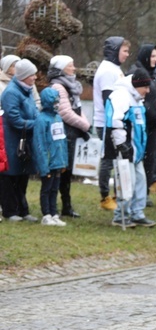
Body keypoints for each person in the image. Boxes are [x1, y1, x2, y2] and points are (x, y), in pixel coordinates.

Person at [104, 68, 156, 228]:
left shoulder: (137, 98)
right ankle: (121, 215)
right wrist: (121, 144)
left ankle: (137, 213)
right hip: (125, 150)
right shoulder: (120, 95)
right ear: (137, 85)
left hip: (137, 151)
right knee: (127, 182)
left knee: (141, 181)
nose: (147, 91)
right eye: (145, 87)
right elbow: (115, 121)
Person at [48, 55, 91, 218]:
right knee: (63, 170)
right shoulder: (59, 87)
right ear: (61, 69)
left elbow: (77, 108)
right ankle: (59, 205)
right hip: (65, 133)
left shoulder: (71, 85)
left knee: (68, 170)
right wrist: (85, 125)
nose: (74, 68)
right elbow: (65, 112)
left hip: (73, 131)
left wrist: (84, 125)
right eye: (70, 66)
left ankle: (66, 205)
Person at [0, 59, 40, 222]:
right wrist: (37, 124)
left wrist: (38, 120)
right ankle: (10, 211)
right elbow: (14, 119)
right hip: (12, 140)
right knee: (10, 177)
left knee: (22, 175)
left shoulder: (27, 90)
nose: (35, 77)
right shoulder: (11, 93)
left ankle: (23, 210)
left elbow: (34, 110)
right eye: (32, 74)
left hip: (24, 139)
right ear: (24, 76)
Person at [93, 37, 129, 211]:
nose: (127, 55)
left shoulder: (116, 69)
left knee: (116, 159)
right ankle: (104, 197)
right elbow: (109, 100)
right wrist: (114, 123)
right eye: (124, 51)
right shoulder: (107, 70)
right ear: (114, 51)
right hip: (106, 123)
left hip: (116, 121)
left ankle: (116, 194)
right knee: (108, 159)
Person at [129, 43, 156, 197]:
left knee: (150, 160)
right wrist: (149, 113)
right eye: (152, 56)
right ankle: (137, 193)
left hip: (153, 126)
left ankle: (145, 193)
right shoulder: (137, 73)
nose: (155, 59)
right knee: (140, 160)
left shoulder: (153, 75)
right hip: (141, 124)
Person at [31, 87, 68, 227]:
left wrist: (64, 161)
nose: (57, 104)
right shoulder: (41, 120)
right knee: (46, 189)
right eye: (54, 102)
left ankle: (54, 214)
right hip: (48, 163)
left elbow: (62, 141)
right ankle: (46, 214)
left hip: (58, 162)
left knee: (54, 189)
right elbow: (39, 144)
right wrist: (43, 165)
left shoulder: (58, 118)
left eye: (58, 101)